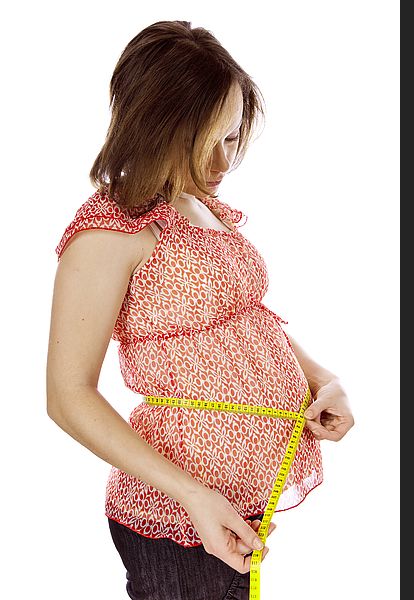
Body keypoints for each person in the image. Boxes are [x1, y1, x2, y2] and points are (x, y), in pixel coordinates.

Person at [46, 20, 354, 600]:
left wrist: (322, 379)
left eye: (234, 137)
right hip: (177, 522)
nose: (223, 160)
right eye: (204, 139)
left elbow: (245, 314)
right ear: (153, 127)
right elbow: (68, 397)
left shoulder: (197, 205)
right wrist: (195, 496)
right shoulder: (107, 235)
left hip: (238, 504)